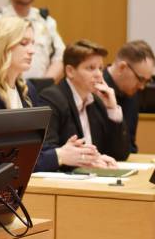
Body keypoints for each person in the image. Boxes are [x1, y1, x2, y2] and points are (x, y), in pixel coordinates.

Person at [0, 16, 90, 172]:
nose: (32, 51)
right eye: (24, 43)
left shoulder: (27, 89)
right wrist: (58, 156)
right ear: (3, 46)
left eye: (33, 43)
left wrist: (73, 153)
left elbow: (39, 147)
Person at [38, 40, 130, 169]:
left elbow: (120, 154)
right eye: (90, 68)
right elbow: (47, 154)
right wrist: (87, 161)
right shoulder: (53, 99)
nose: (98, 74)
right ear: (70, 71)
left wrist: (112, 109)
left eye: (100, 68)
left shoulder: (97, 101)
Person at [104, 40, 155, 153]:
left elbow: (130, 144)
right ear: (122, 68)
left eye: (147, 81)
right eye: (141, 79)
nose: (142, 87)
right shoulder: (96, 90)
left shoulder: (132, 93)